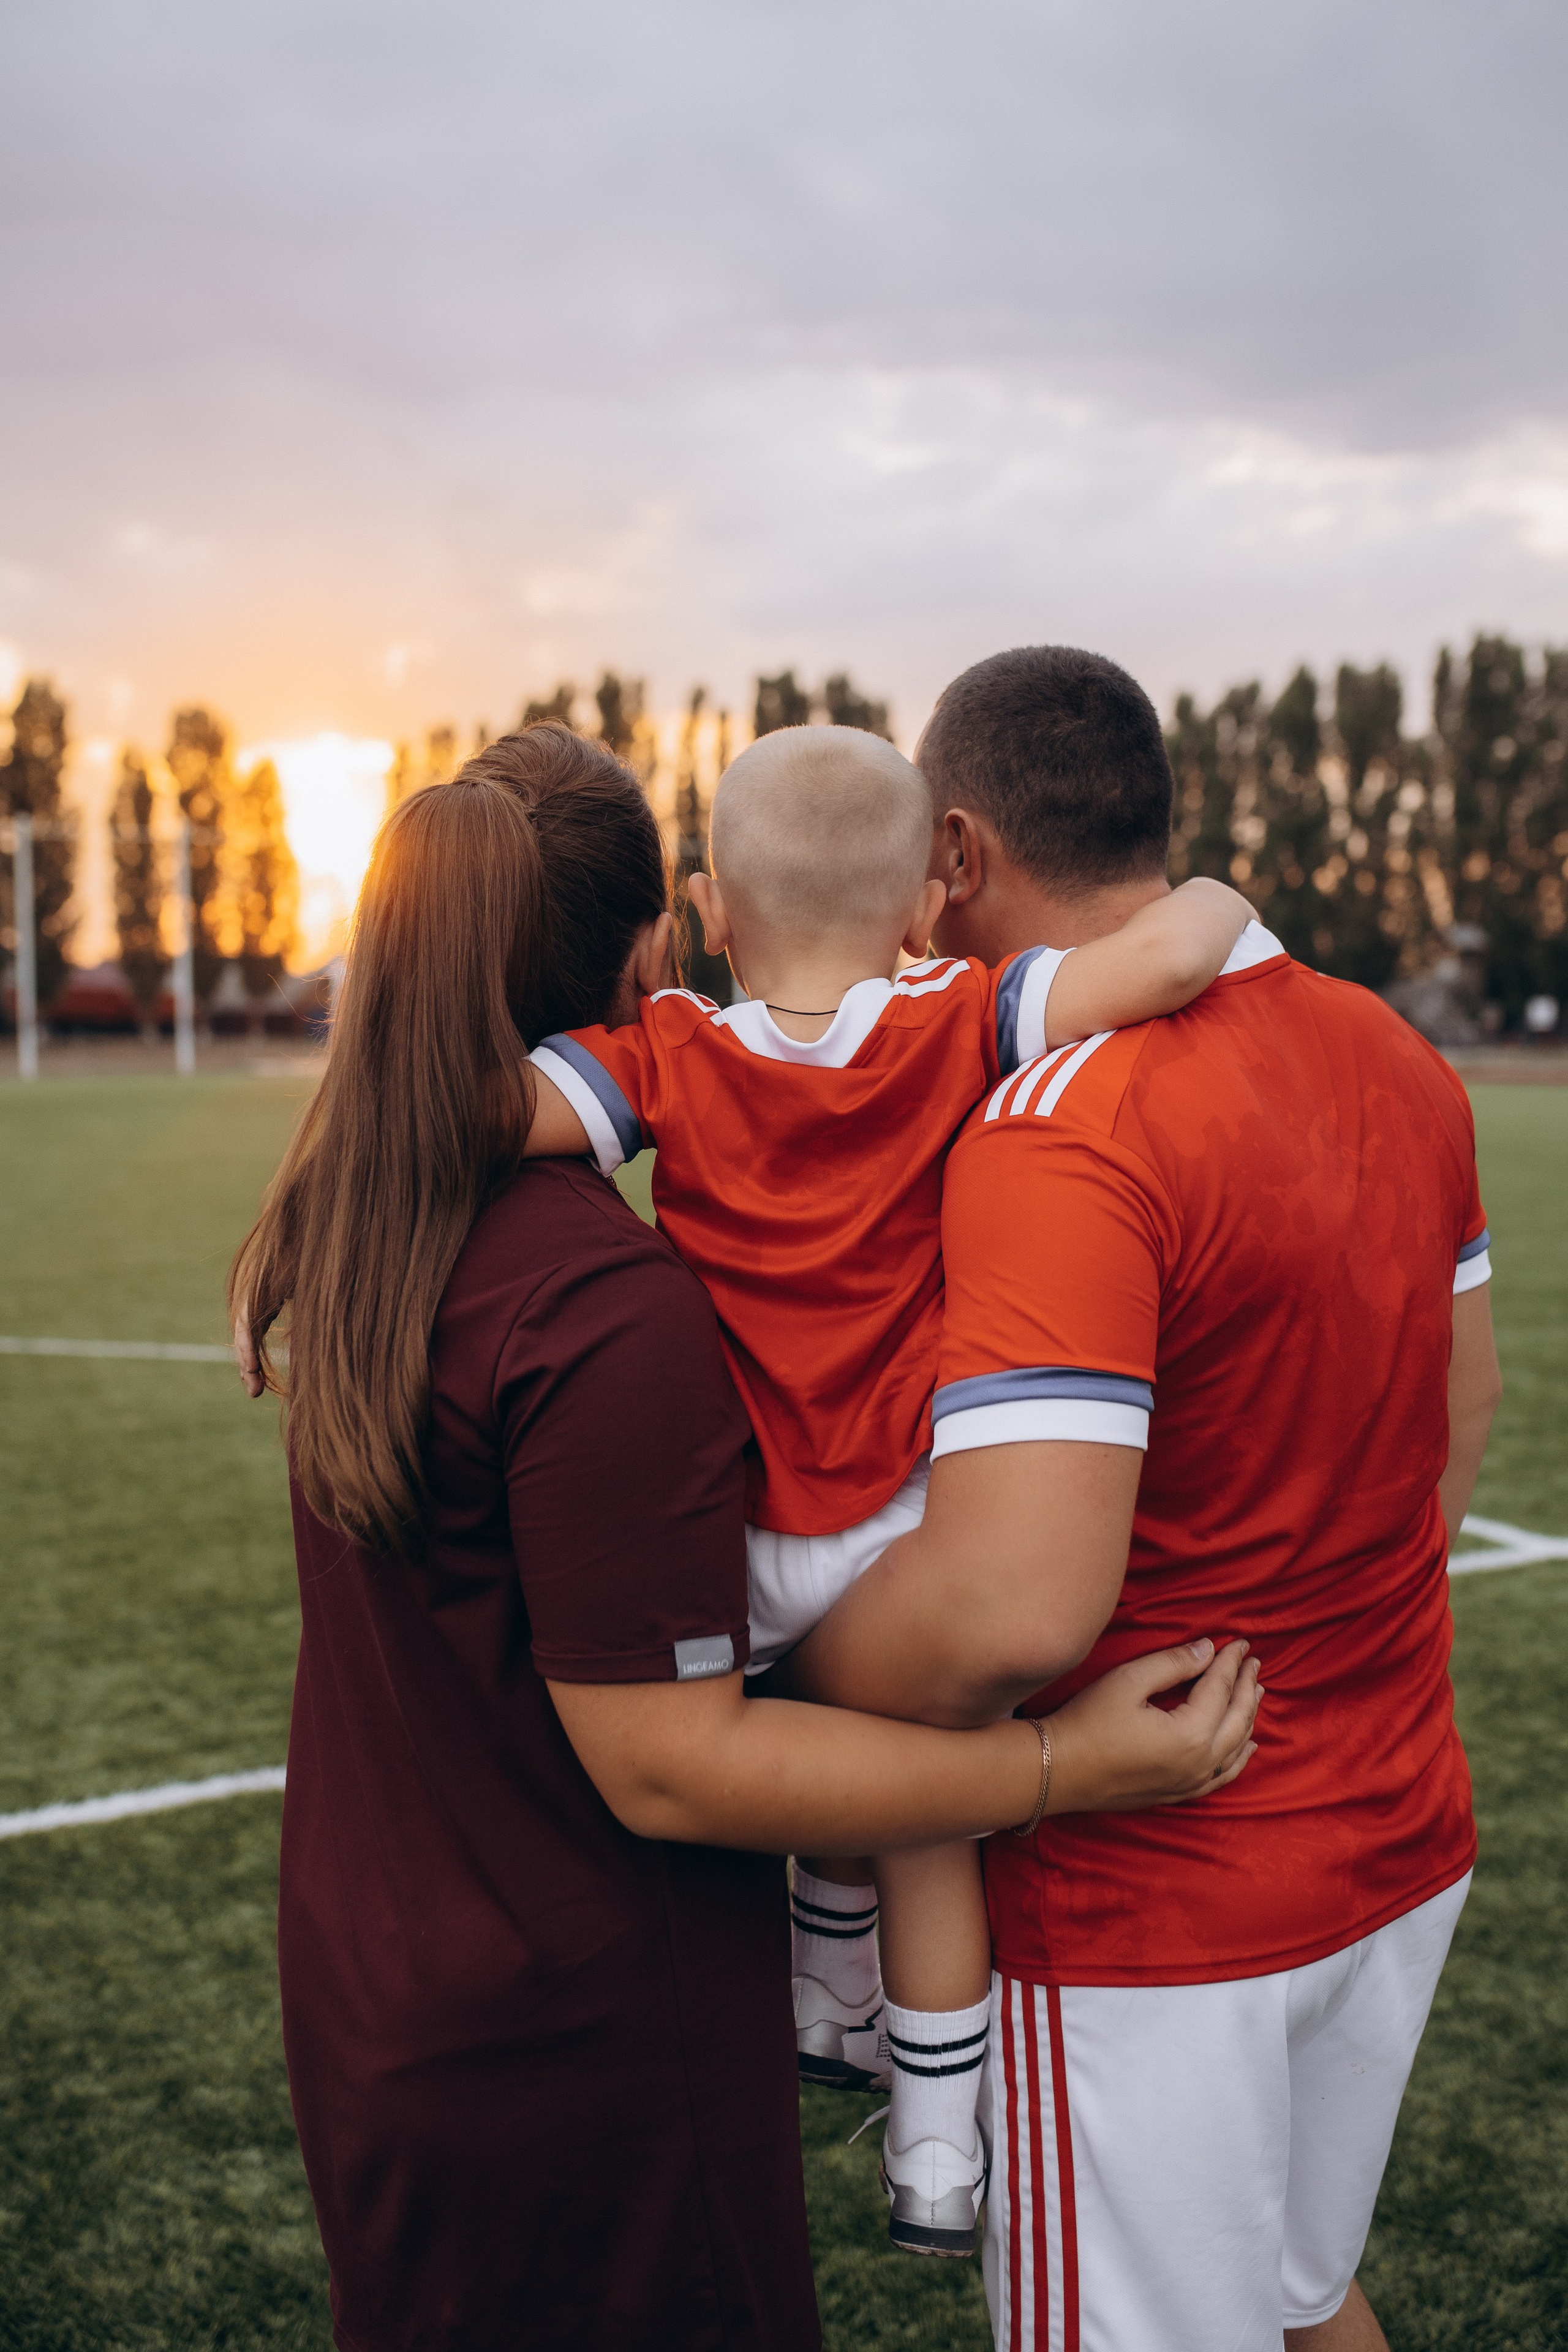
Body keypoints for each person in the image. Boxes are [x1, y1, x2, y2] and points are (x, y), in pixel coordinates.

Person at [229, 723, 1261, 2352]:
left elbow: (454, 1117)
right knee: (903, 1717)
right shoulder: (604, 1314)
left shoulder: (410, 1250)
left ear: (710, 919)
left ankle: (850, 2011)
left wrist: (312, 1196)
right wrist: (1068, 1771)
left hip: (380, 1999)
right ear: (650, 938)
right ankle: (923, 2114)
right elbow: (676, 1767)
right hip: (595, 2051)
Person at [789, 646, 1502, 2352]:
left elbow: (1012, 1611)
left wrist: (781, 1701)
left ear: (956, 853)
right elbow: (1455, 1429)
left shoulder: (1058, 1121)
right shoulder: (1392, 1053)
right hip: (1395, 1827)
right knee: (1301, 2302)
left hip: (1148, 1903)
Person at [522, 721, 1256, 2253]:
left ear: (714, 909)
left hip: (733, 1541)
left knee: (806, 1762)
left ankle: (819, 1995)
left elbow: (482, 1120)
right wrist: (1214, 896)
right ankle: (933, 2158)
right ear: (925, 901)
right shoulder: (961, 1015)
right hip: (894, 1529)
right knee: (927, 1801)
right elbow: (1170, 962)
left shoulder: (663, 1049)